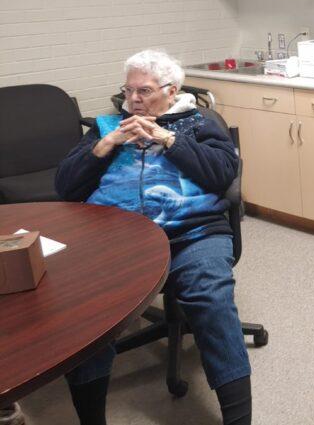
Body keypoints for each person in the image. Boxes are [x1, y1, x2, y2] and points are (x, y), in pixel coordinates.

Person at [56, 50, 252, 425]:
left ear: (171, 90)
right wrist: (105, 145)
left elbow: (222, 175)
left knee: (211, 296)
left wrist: (168, 139)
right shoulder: (106, 126)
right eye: (128, 91)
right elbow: (65, 187)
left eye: (143, 91)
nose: (133, 101)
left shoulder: (198, 124)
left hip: (192, 234)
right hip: (116, 240)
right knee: (86, 312)